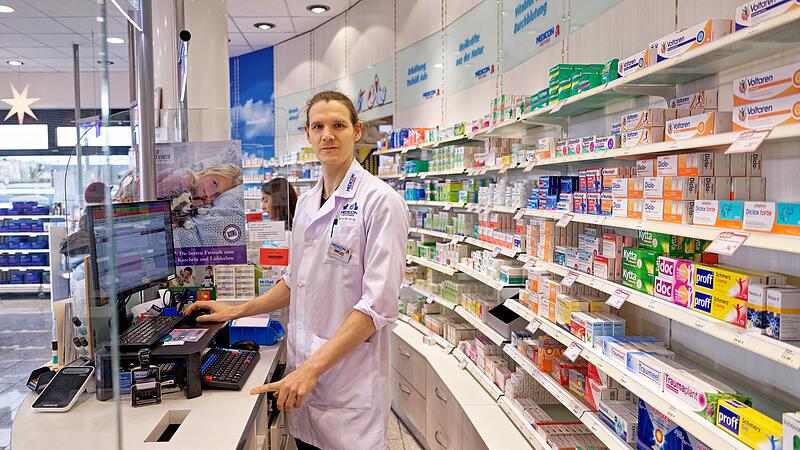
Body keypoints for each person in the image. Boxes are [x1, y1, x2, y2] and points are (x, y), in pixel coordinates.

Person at [185, 91, 408, 450]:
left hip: (346, 390)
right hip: (304, 384)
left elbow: (377, 307)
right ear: (307, 134)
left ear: (357, 130)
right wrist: (235, 310)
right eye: (318, 126)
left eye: (338, 125)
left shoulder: (381, 202)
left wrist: (311, 369)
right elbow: (296, 280)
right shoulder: (305, 202)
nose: (327, 135)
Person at [157, 163, 243, 206]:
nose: (210, 194)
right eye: (214, 183)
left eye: (217, 195)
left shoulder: (198, 200)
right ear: (209, 171)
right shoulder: (177, 181)